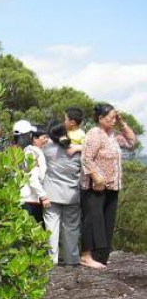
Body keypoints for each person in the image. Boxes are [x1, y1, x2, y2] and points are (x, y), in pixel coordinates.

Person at [79, 103, 137, 268]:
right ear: (100, 118)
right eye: (111, 118)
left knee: (106, 222)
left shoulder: (113, 135)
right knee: (91, 220)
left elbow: (132, 142)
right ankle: (86, 255)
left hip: (112, 186)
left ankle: (100, 256)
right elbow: (86, 158)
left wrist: (122, 122)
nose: (113, 120)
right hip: (95, 187)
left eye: (114, 117)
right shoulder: (94, 134)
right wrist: (97, 178)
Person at [43, 121, 82, 265]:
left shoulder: (46, 149)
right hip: (72, 195)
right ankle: (72, 258)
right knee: (71, 229)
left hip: (51, 194)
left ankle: (51, 259)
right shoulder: (76, 151)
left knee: (51, 228)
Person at [14, 120, 50, 224]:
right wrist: (43, 196)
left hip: (18, 198)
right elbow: (32, 177)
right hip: (31, 199)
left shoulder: (14, 151)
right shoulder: (33, 152)